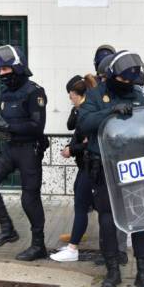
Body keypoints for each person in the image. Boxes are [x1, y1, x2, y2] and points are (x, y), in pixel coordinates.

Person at [77, 50, 144, 287]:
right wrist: (110, 113)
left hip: (132, 167)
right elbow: (84, 124)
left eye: (130, 81)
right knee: (108, 221)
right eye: (121, 80)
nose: (126, 85)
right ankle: (112, 271)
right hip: (104, 167)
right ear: (111, 75)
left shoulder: (138, 97)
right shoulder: (94, 95)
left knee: (140, 220)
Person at [0, 44, 49, 262]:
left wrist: (9, 128)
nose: (1, 74)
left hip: (29, 150)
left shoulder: (34, 91)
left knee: (29, 199)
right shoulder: (4, 92)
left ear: (17, 67)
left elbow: (36, 126)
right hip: (9, 149)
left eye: (5, 70)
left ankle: (38, 246)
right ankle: (7, 229)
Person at [51, 75, 96, 262]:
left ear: (78, 94)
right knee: (83, 200)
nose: (70, 99)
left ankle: (73, 248)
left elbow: (89, 142)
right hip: (85, 164)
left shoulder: (87, 112)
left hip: (91, 164)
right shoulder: (81, 110)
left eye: (70, 96)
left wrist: (72, 149)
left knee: (81, 204)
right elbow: (76, 132)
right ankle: (74, 243)